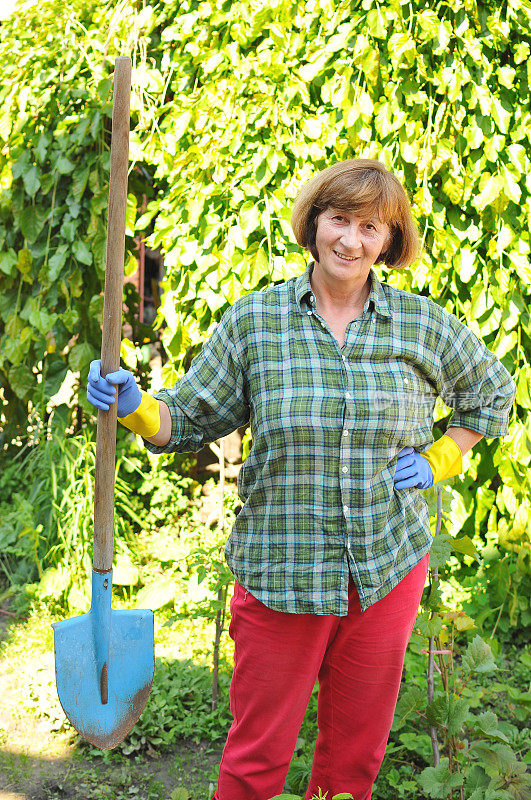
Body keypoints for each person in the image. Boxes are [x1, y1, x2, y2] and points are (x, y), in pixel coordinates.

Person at [87, 159, 516, 800]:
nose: (351, 240)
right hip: (280, 571)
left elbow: (493, 393)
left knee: (352, 764)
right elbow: (190, 417)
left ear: (390, 241)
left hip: (384, 570)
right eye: (338, 219)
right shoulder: (257, 323)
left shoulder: (422, 326)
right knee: (256, 761)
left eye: (371, 226)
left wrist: (441, 458)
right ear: (314, 224)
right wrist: (138, 407)